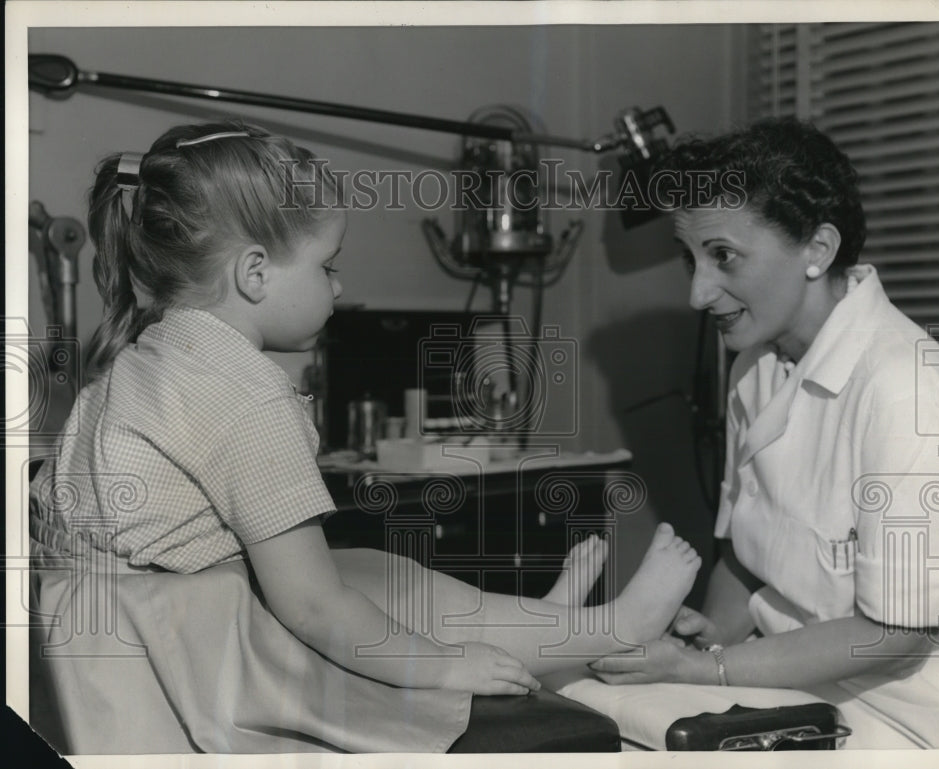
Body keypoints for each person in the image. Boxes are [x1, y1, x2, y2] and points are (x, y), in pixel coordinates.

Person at [27, 120, 702, 754]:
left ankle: (546, 632)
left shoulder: (147, 359)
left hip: (115, 631)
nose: (340, 284)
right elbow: (315, 607)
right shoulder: (243, 393)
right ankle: (607, 632)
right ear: (254, 273)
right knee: (378, 592)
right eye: (326, 266)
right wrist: (438, 666)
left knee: (372, 568)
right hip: (196, 652)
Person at [588, 118, 939, 748]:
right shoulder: (755, 368)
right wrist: (710, 632)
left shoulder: (904, 389)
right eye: (691, 259)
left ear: (817, 250)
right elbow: (747, 557)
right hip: (793, 692)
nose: (696, 292)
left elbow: (896, 631)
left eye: (724, 256)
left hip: (912, 724)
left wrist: (707, 669)